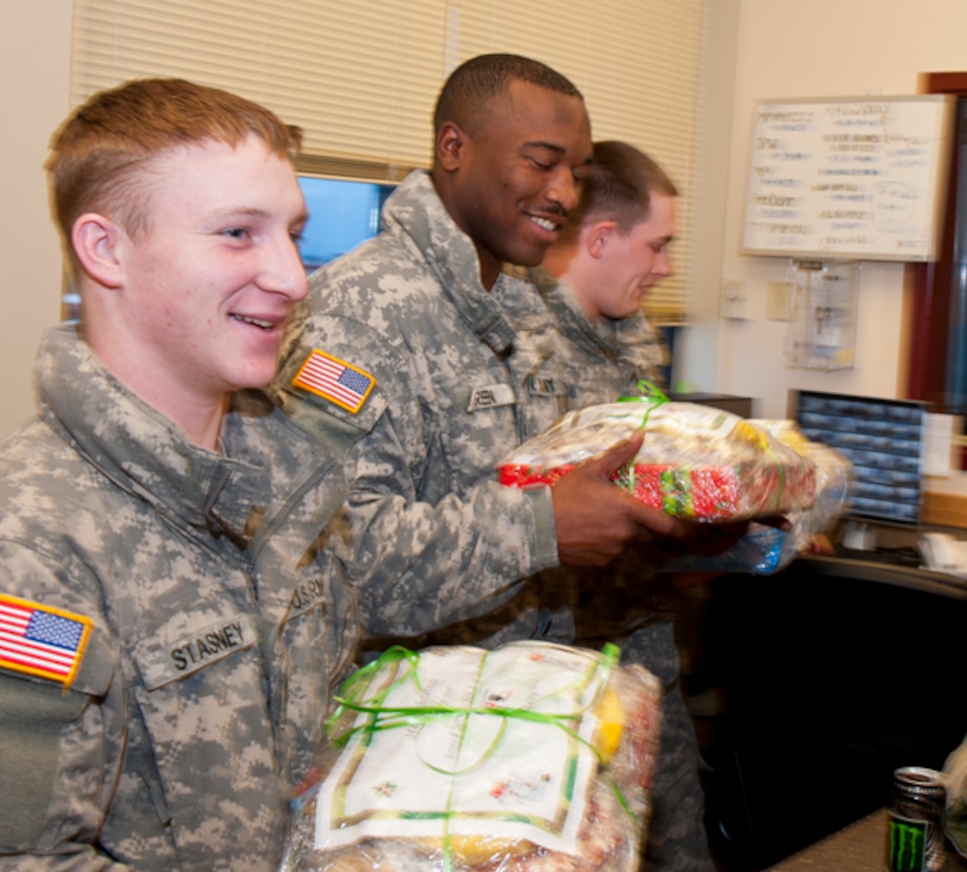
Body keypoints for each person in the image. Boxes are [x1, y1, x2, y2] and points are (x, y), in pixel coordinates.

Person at [0, 79, 515, 872]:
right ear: (106, 250)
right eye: (237, 234)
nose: (294, 278)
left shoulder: (284, 485)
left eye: (293, 234)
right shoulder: (10, 562)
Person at [271, 54, 678, 653]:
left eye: (578, 174)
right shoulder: (359, 311)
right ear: (454, 147)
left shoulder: (524, 309)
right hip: (412, 729)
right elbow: (328, 558)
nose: (564, 193)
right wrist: (539, 529)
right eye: (540, 163)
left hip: (522, 713)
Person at [531, 140, 713, 872]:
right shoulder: (515, 345)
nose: (667, 267)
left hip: (644, 651)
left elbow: (656, 490)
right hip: (552, 682)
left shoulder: (634, 335)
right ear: (599, 237)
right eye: (657, 246)